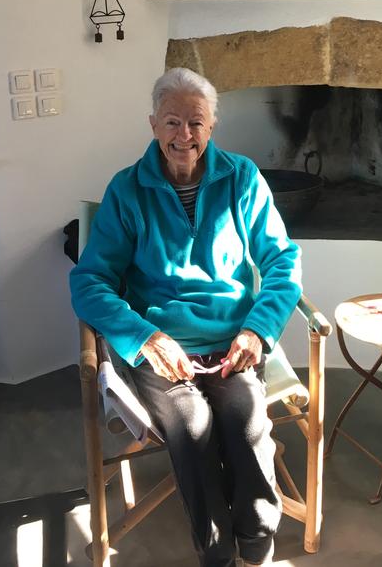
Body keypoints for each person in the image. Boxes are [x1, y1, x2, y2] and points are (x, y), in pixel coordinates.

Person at [70, 67, 302, 567]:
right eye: (172, 122)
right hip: (160, 347)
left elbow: (282, 261)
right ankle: (216, 554)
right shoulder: (127, 190)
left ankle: (257, 543)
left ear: (212, 127)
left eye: (196, 123)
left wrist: (258, 330)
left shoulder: (241, 178)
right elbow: (89, 282)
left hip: (233, 342)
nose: (184, 136)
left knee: (244, 426)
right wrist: (145, 337)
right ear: (153, 124)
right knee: (193, 427)